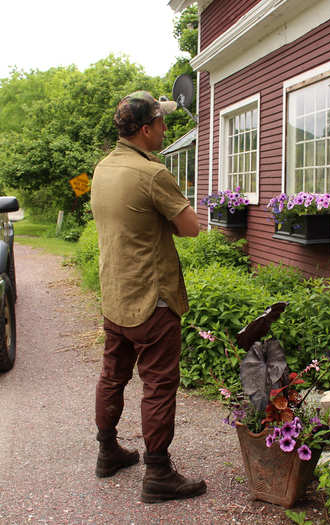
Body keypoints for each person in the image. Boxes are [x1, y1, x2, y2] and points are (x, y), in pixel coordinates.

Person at [90, 91, 206, 503]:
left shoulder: (103, 169)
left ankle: (108, 452)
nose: (165, 128)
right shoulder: (152, 174)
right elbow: (191, 227)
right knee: (158, 384)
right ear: (145, 129)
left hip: (115, 297)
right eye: (161, 122)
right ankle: (158, 473)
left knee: (113, 374)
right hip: (152, 301)